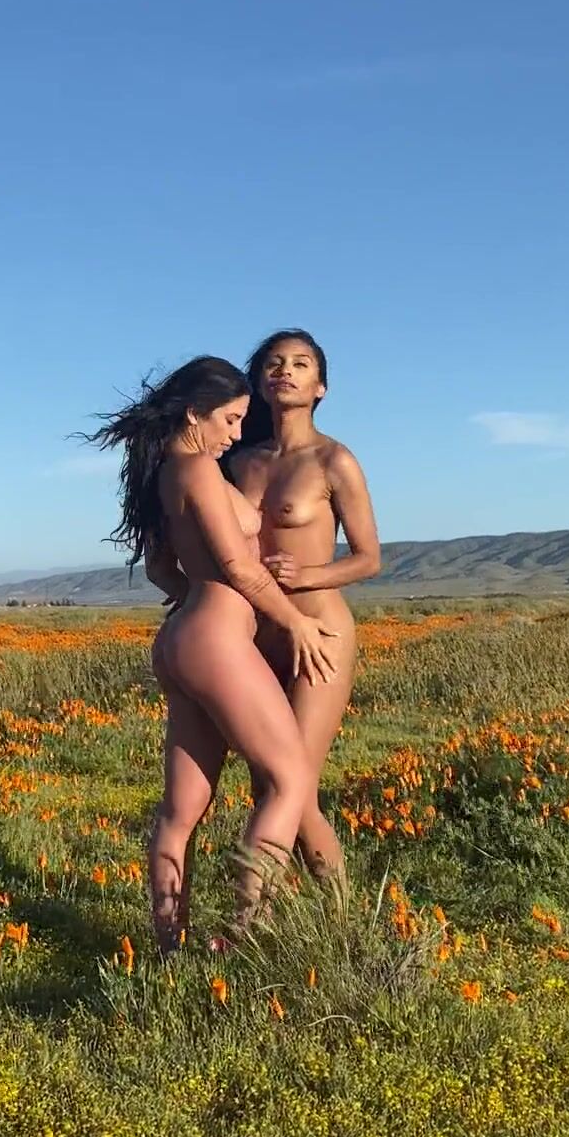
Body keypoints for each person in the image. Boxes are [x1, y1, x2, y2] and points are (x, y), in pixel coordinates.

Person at [85, 356, 340, 955]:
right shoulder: (199, 468)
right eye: (229, 419)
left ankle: (170, 950)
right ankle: (246, 936)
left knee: (182, 810)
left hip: (181, 639)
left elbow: (159, 567)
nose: (235, 433)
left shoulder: (163, 473)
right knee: (289, 780)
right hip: (216, 638)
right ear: (195, 414)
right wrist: (294, 622)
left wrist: (195, 601)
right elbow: (237, 568)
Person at [226, 329, 381, 884]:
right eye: (273, 363)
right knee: (267, 787)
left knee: (296, 786)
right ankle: (289, 913)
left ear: (321, 387)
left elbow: (368, 558)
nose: (285, 371)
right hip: (256, 634)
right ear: (258, 382)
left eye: (299, 364)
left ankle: (330, 915)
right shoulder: (239, 462)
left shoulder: (334, 460)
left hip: (318, 632)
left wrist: (309, 574)